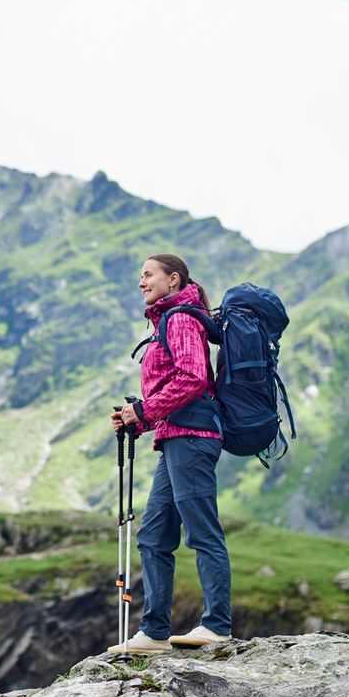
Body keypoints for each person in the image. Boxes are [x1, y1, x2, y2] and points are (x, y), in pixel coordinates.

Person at [108, 253, 233, 654]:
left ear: (173, 280)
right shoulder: (168, 320)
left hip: (193, 438)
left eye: (148, 275)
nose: (141, 282)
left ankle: (217, 625)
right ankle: (155, 632)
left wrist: (143, 410)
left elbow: (193, 378)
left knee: (202, 531)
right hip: (177, 436)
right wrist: (138, 420)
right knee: (153, 536)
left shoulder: (180, 319)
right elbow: (175, 391)